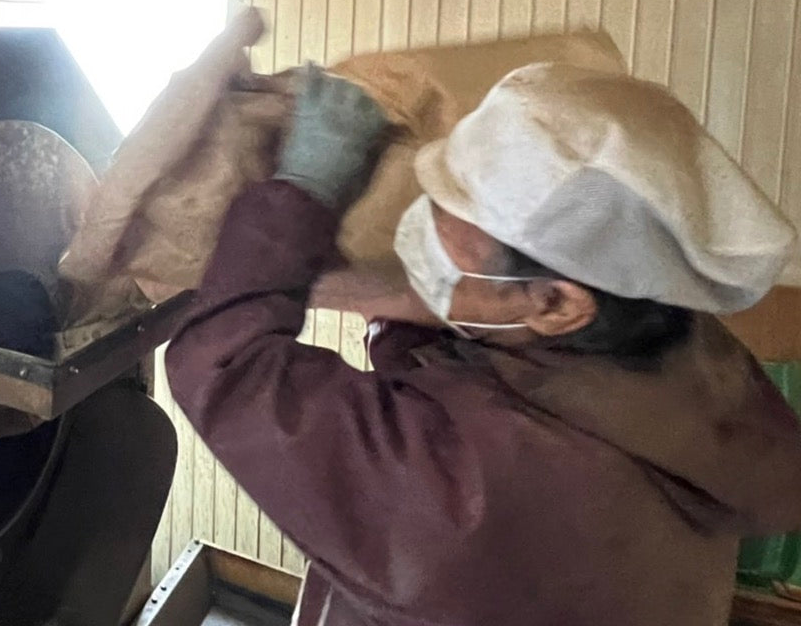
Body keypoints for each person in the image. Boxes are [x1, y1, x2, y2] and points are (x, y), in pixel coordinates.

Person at [164, 62, 801, 626]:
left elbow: (225, 369)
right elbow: (484, 378)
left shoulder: (470, 495)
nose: (421, 240)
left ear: (556, 301)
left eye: (448, 240)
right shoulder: (681, 353)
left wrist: (301, 194)